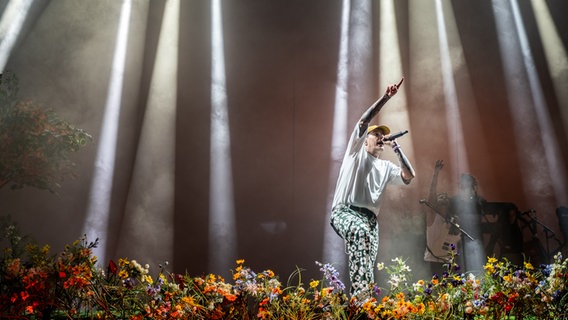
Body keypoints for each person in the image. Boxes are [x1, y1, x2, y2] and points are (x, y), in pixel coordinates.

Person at [330, 78, 415, 301]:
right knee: (358, 233)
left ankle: (363, 302)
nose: (380, 138)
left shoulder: (385, 166)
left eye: (382, 136)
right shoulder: (355, 151)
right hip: (345, 211)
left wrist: (396, 149)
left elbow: (409, 176)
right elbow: (363, 120)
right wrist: (386, 97)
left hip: (370, 220)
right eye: (375, 134)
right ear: (365, 140)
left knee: (367, 259)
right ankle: (359, 299)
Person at [423, 160, 461, 272]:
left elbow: (456, 240)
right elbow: (432, 194)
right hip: (433, 260)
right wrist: (436, 173)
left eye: (445, 196)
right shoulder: (432, 216)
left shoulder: (453, 220)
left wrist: (456, 228)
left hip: (449, 260)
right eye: (440, 196)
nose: (444, 197)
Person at [447, 173, 487, 274]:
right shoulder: (454, 201)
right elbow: (448, 219)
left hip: (475, 239)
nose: (467, 188)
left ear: (474, 186)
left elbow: (483, 216)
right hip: (459, 240)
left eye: (469, 185)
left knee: (478, 270)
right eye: (464, 185)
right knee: (461, 269)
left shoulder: (479, 201)